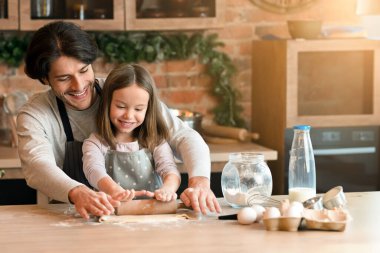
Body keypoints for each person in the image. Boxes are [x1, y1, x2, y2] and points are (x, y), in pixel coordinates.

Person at [18, 21, 221, 219]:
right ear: (45, 79)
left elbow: (185, 137)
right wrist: (78, 192)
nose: (79, 85)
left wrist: (200, 183)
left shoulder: (123, 91)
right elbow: (38, 165)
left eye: (84, 71)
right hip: (71, 218)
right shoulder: (35, 114)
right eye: (64, 78)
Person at [82, 64, 180, 203]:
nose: (129, 115)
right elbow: (93, 170)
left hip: (153, 215)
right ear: (107, 104)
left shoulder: (155, 141)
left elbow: (169, 169)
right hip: (112, 214)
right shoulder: (95, 143)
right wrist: (114, 190)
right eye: (121, 106)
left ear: (148, 110)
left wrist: (168, 189)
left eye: (138, 109)